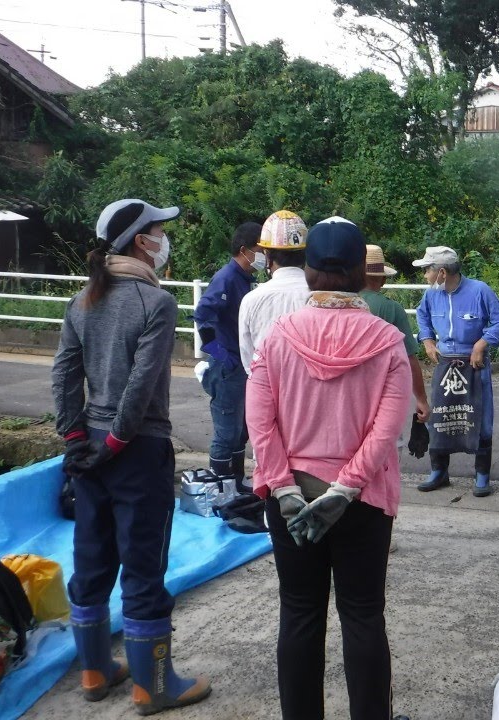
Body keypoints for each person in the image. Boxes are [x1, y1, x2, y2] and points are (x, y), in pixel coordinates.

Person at [245, 218, 413, 720]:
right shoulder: (387, 342)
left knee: (299, 614)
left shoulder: (276, 338)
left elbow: (260, 422)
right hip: (362, 504)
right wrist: (346, 488)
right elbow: (385, 432)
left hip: (291, 499)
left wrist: (282, 486)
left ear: (309, 269)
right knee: (363, 616)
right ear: (364, 270)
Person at [53, 198, 210, 714]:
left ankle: (96, 673)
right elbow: (142, 385)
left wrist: (78, 441)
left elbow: (63, 377)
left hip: (88, 451)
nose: (166, 239)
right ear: (142, 241)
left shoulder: (82, 301)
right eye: (161, 231)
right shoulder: (154, 303)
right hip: (137, 451)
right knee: (143, 566)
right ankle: (153, 686)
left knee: (91, 558)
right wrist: (118, 442)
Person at [412, 246, 499, 497]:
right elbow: (422, 317)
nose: (425, 275)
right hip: (445, 364)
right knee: (442, 418)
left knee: (479, 418)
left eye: (427, 270)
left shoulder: (480, 291)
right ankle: (439, 471)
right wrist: (427, 341)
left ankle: (482, 475)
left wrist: (481, 343)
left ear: (442, 272)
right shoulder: (431, 295)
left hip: (474, 367)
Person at [193, 221, 262, 482]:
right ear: (244, 250)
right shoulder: (227, 278)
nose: (263, 255)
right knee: (226, 430)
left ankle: (235, 484)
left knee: (239, 429)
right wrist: (218, 353)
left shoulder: (244, 279)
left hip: (239, 364)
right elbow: (203, 314)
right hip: (228, 364)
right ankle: (221, 489)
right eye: (260, 249)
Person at [359, 242, 430, 424]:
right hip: (383, 392)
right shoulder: (392, 309)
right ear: (383, 279)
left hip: (348, 393)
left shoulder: (341, 302)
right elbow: (410, 358)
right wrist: (421, 398)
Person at [238, 210, 311, 374]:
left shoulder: (251, 300)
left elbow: (249, 362)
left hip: (266, 390)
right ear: (304, 254)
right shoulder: (319, 295)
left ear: (267, 254)